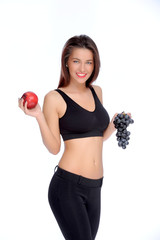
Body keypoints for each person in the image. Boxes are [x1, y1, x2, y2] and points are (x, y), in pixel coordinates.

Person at [18, 35, 127, 240]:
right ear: (66, 61)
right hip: (68, 187)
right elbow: (54, 148)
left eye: (88, 62)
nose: (82, 68)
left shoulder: (97, 91)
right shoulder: (55, 97)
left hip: (96, 187)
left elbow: (96, 137)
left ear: (95, 65)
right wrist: (39, 116)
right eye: (76, 61)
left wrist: (112, 126)